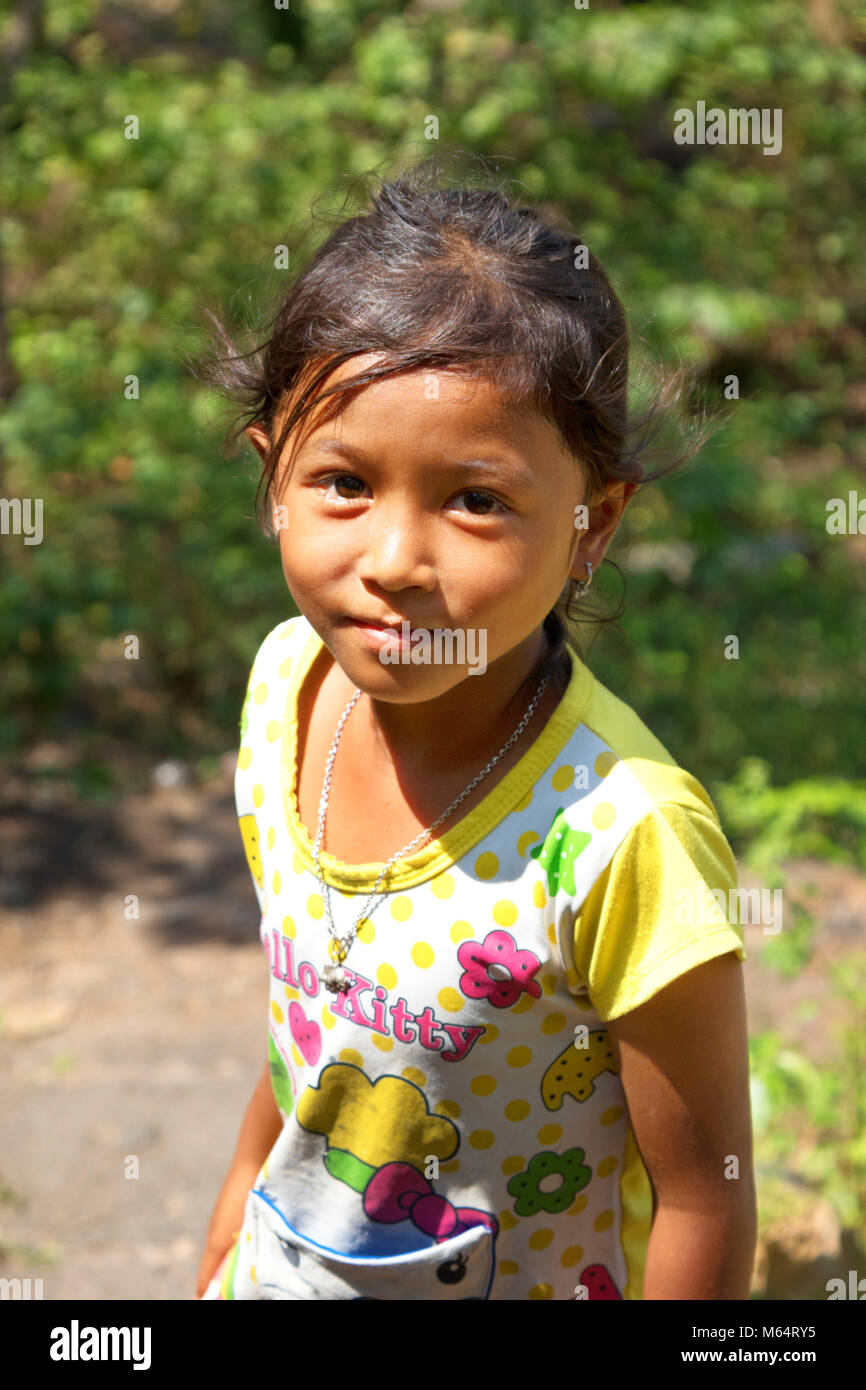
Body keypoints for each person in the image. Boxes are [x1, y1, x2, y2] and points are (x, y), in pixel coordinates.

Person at [193, 156, 757, 1301]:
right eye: (342, 483)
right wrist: (226, 1230)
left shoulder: (618, 834)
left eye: (475, 500)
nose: (394, 562)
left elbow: (703, 1193)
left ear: (591, 524)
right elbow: (312, 1028)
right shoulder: (285, 685)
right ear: (272, 480)